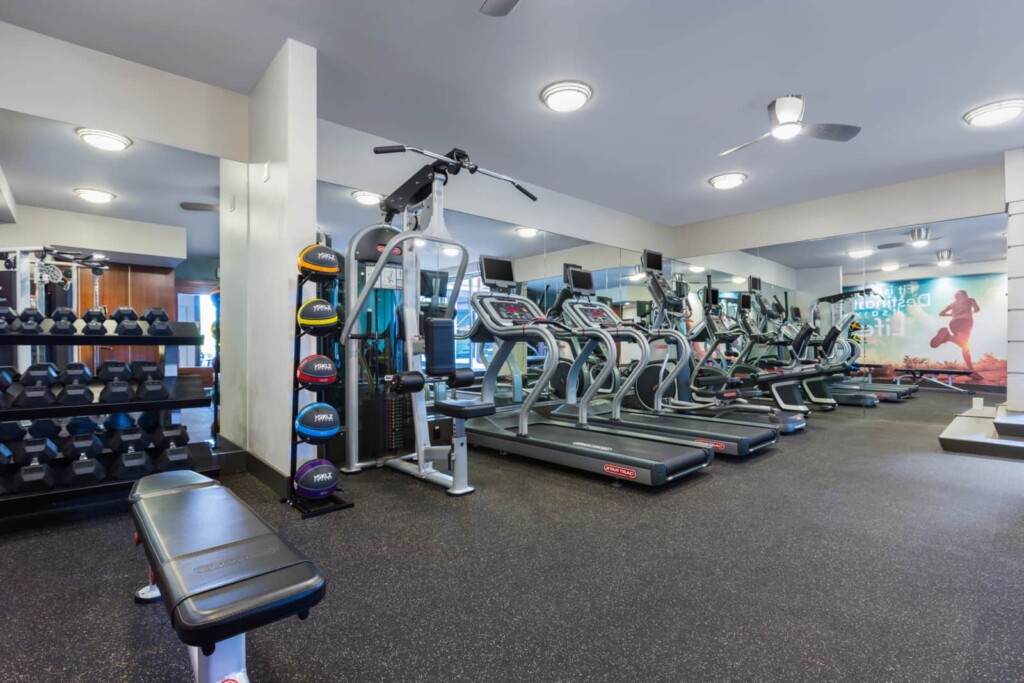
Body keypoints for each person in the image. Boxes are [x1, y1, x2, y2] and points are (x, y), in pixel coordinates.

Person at [931, 289, 981, 379]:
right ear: (965, 295)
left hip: (953, 323)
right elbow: (977, 309)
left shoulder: (952, 304)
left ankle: (971, 370)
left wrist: (953, 315)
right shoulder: (969, 300)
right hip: (965, 321)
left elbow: (941, 313)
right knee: (965, 345)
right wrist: (971, 312)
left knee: (964, 346)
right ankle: (949, 337)